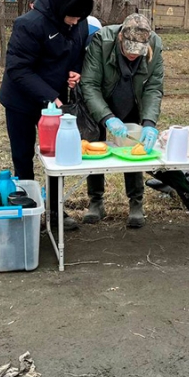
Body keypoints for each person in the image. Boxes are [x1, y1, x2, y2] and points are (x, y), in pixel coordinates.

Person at [0, 0, 94, 230]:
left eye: (80, 18)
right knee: (23, 156)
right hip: (21, 100)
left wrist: (75, 71)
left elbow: (77, 52)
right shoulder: (29, 24)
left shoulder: (80, 22)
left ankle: (55, 211)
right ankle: (28, 213)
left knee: (56, 156)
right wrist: (51, 96)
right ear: (61, 8)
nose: (76, 23)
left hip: (55, 102)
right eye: (72, 17)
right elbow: (18, 69)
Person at [80, 13, 163, 228]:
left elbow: (153, 87)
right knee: (95, 147)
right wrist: (107, 117)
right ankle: (96, 201)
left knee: (134, 149)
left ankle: (136, 203)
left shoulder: (154, 44)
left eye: (138, 52)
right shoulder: (102, 40)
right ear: (120, 39)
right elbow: (89, 84)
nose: (133, 55)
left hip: (132, 100)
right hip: (101, 99)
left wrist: (149, 122)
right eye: (129, 50)